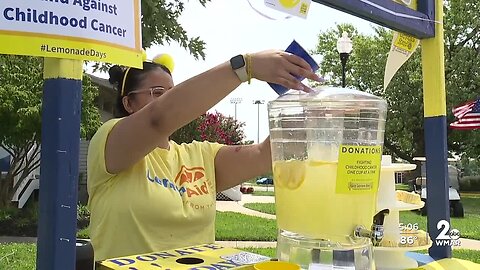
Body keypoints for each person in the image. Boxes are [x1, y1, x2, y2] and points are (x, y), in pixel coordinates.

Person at [87, 50, 321, 261]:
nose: (169, 99)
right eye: (158, 93)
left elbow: (264, 154)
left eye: (172, 92)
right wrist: (244, 67)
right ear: (128, 102)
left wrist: (312, 109)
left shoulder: (200, 155)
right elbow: (158, 118)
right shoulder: (108, 140)